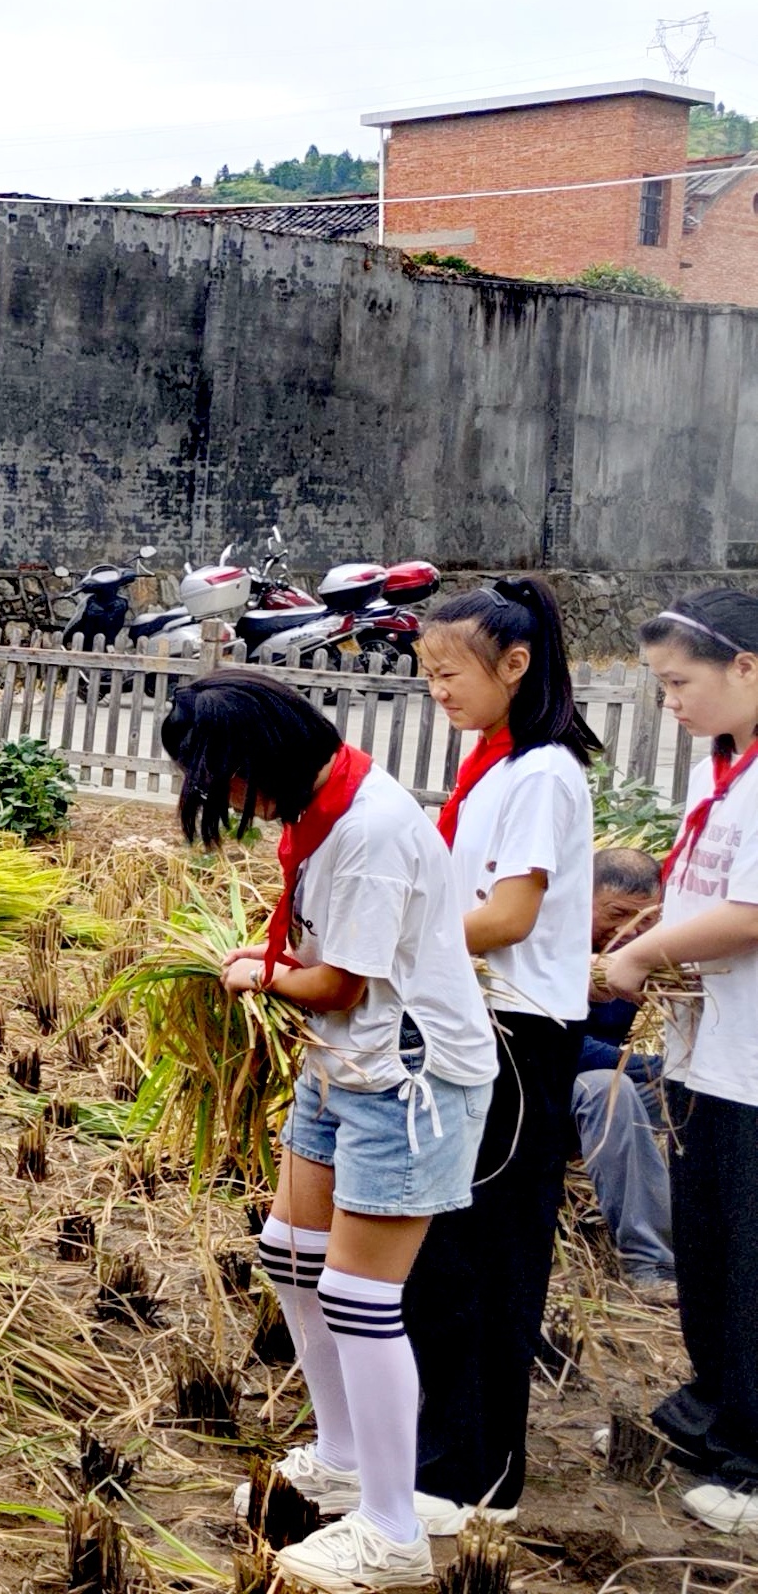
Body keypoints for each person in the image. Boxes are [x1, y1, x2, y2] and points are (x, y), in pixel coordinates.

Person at [168, 671, 494, 1594]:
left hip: (406, 1077)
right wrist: (269, 963)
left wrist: (252, 975)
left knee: (357, 1293)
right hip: (342, 1062)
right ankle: (344, 1454)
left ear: (262, 758)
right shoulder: (324, 804)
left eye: (225, 779)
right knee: (290, 1251)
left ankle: (392, 1529)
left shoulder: (369, 832)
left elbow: (339, 983)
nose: (226, 798)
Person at [403, 576, 599, 1536]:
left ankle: (472, 1479)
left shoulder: (540, 774)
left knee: (481, 1255)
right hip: (476, 1021)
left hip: (519, 1036)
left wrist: (400, 944)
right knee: (446, 1252)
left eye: (451, 673)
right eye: (426, 673)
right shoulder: (490, 765)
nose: (437, 689)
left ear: (514, 666)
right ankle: (448, 1461)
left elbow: (509, 916)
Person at [602, 589, 758, 1536]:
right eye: (659, 688)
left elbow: (748, 916)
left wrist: (637, 954)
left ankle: (752, 1468)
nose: (671, 704)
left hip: (753, 1067)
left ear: (746, 666)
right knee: (709, 1249)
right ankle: (721, 1411)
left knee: (749, 1260)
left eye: (679, 683)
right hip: (713, 1055)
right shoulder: (726, 768)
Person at [572, 849, 674, 1287]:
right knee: (606, 1089)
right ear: (582, 898)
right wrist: (640, 1065)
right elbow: (563, 1047)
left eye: (643, 921)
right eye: (615, 914)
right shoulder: (545, 940)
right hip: (545, 1094)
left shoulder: (645, 953)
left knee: (696, 1090)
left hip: (620, 1080)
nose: (626, 930)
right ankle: (649, 1263)